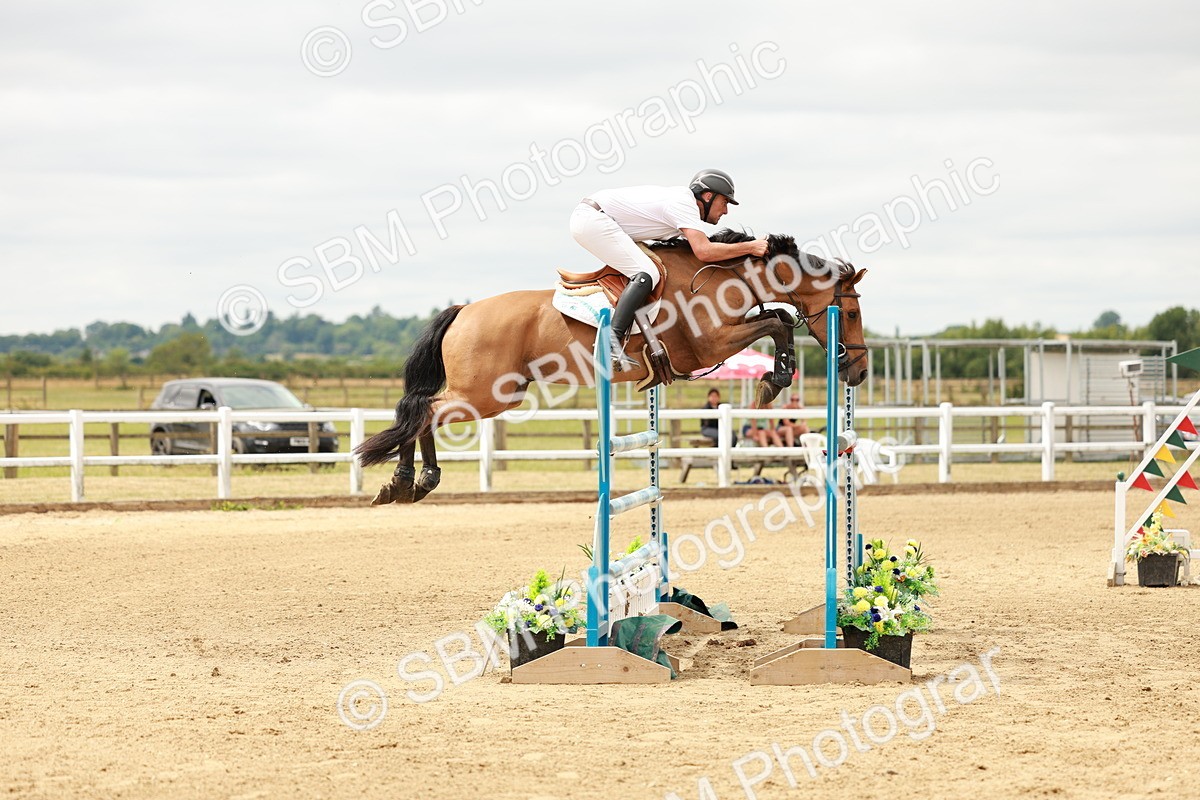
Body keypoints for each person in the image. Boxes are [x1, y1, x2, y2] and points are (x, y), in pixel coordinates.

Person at [570, 169, 768, 370]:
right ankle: (609, 344)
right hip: (593, 219)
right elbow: (704, 251)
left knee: (650, 270)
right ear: (708, 196)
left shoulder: (683, 204)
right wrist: (751, 247)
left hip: (598, 218)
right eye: (725, 202)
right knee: (647, 274)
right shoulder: (684, 204)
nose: (725, 211)